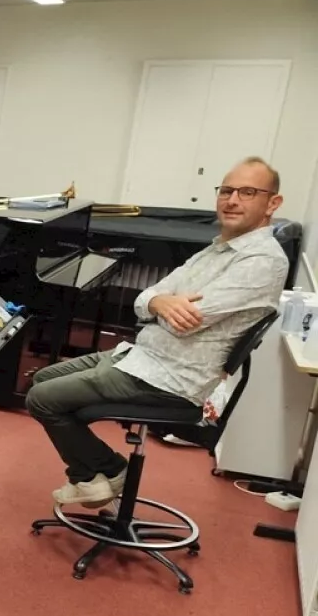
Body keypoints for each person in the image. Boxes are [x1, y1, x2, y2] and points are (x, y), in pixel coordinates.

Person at [25, 157, 290, 508]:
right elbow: (146, 297)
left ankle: (95, 474)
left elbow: (189, 319)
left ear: (272, 203)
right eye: (226, 190)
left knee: (42, 399)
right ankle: (100, 471)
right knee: (42, 378)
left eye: (247, 192)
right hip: (142, 356)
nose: (232, 200)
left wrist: (161, 306)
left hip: (168, 378)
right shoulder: (217, 249)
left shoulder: (262, 261)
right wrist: (158, 304)